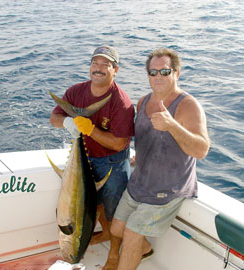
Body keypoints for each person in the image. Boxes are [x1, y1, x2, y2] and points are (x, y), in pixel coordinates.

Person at [106, 48, 210, 270]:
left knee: (132, 233)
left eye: (165, 71)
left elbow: (202, 150)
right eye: (153, 72)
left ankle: (136, 249)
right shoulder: (143, 102)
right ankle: (145, 250)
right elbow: (146, 136)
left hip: (167, 189)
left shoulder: (188, 105)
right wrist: (140, 158)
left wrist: (172, 125)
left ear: (177, 73)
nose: (158, 77)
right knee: (116, 229)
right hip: (140, 182)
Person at [50, 45, 135, 267]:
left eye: (105, 64)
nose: (98, 68)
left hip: (112, 163)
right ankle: (104, 235)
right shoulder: (76, 92)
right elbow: (54, 119)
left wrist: (90, 130)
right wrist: (68, 121)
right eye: (95, 63)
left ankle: (115, 253)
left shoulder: (122, 103)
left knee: (114, 212)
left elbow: (118, 143)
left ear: (115, 69)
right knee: (91, 208)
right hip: (86, 161)